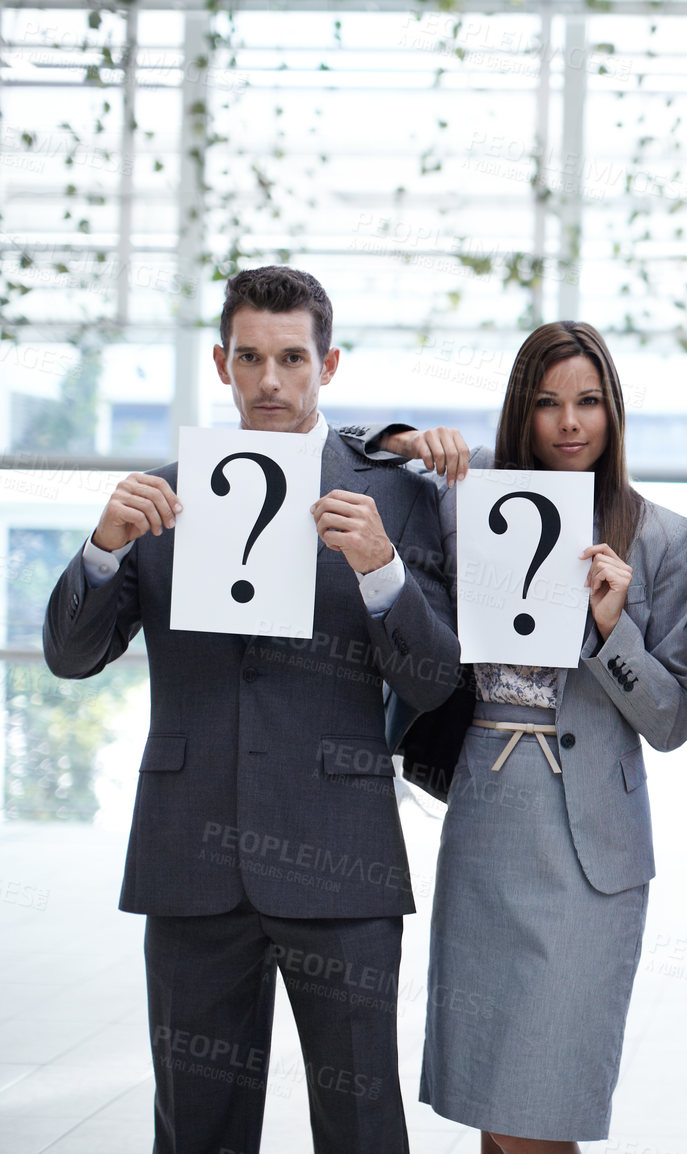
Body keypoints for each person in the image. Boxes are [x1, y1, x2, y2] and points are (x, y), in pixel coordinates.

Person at [41, 266, 460, 1153]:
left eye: (292, 359)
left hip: (340, 858)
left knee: (361, 1126)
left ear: (329, 364)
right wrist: (104, 547)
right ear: (222, 362)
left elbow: (435, 683)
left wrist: (383, 571)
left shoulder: (398, 496)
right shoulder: (158, 499)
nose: (270, 381)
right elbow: (71, 658)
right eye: (250, 358)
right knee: (195, 1128)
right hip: (189, 858)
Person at [342, 321, 687, 1154]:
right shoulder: (467, 503)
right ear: (521, 412)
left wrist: (613, 633)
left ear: (613, 412)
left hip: (591, 857)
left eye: (588, 402)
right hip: (487, 829)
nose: (569, 423)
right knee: (496, 1104)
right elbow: (353, 447)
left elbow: (675, 721)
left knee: (543, 1108)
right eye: (547, 404)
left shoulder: (659, 537)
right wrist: (408, 437)